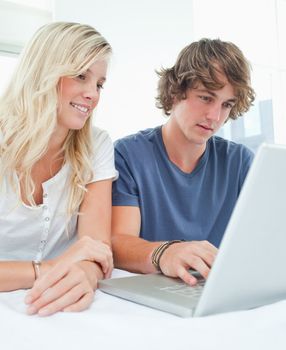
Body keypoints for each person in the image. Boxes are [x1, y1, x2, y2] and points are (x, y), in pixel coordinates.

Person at [111, 38, 255, 286]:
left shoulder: (240, 162)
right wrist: (165, 253)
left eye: (226, 105)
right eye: (206, 98)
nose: (214, 116)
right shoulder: (128, 155)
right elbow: (118, 243)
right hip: (155, 291)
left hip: (215, 289)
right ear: (176, 92)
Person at [0, 22, 118, 316]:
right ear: (44, 72)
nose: (93, 94)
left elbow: (96, 250)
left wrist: (88, 274)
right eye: (81, 76)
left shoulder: (97, 144)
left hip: (61, 305)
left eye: (100, 84)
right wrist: (51, 268)